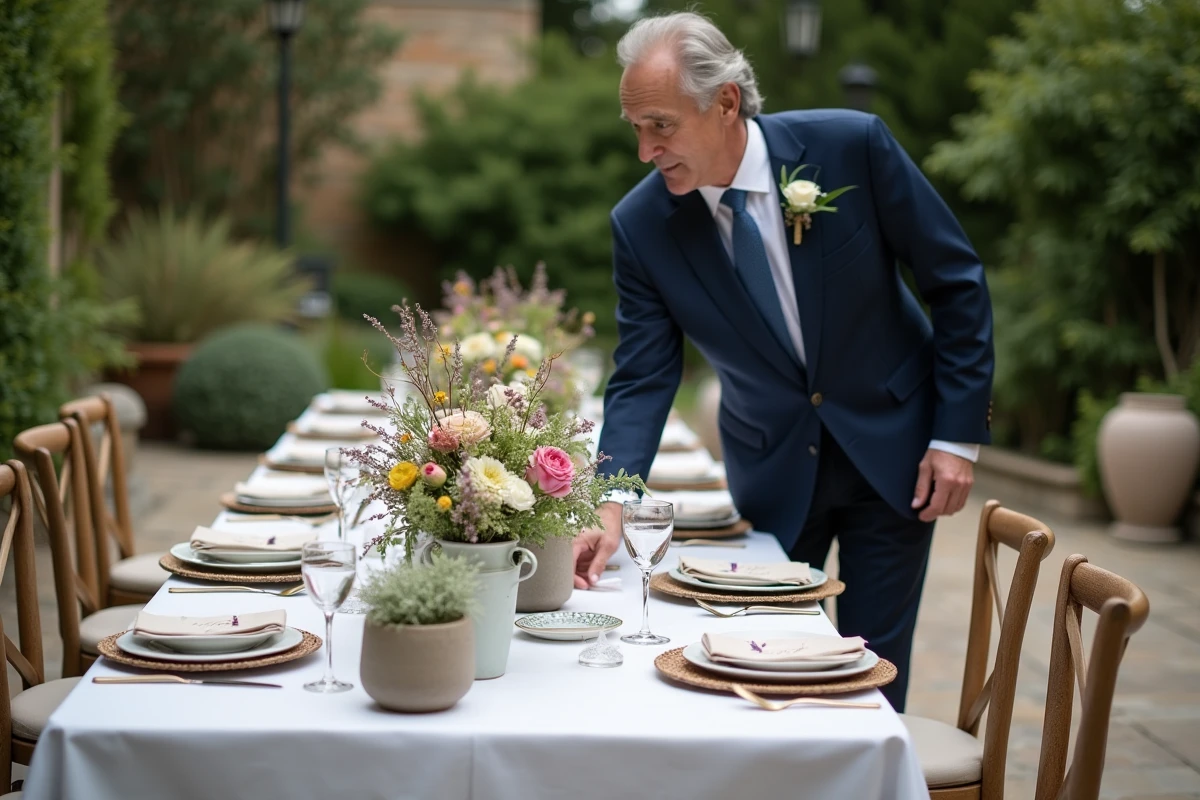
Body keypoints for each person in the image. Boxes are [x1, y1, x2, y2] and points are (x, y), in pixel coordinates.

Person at [572, 11, 994, 711]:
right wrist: (611, 502)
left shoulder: (852, 147)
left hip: (895, 455)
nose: (645, 150)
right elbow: (643, 375)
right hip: (770, 465)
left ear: (726, 102)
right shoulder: (641, 225)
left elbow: (956, 282)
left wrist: (955, 437)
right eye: (636, 128)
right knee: (758, 667)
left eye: (661, 126)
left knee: (870, 676)